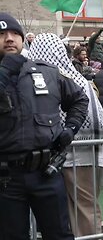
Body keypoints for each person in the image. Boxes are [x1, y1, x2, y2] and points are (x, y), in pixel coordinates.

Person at [0, 13, 88, 239]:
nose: (9, 39)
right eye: (1, 35)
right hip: (6, 179)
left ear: (22, 39)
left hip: (46, 173)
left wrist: (71, 129)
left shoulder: (46, 71)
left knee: (59, 234)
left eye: (14, 34)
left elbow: (79, 98)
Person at [28, 33, 103, 236]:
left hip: (68, 154)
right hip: (88, 152)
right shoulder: (80, 80)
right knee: (83, 207)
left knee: (76, 209)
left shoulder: (48, 83)